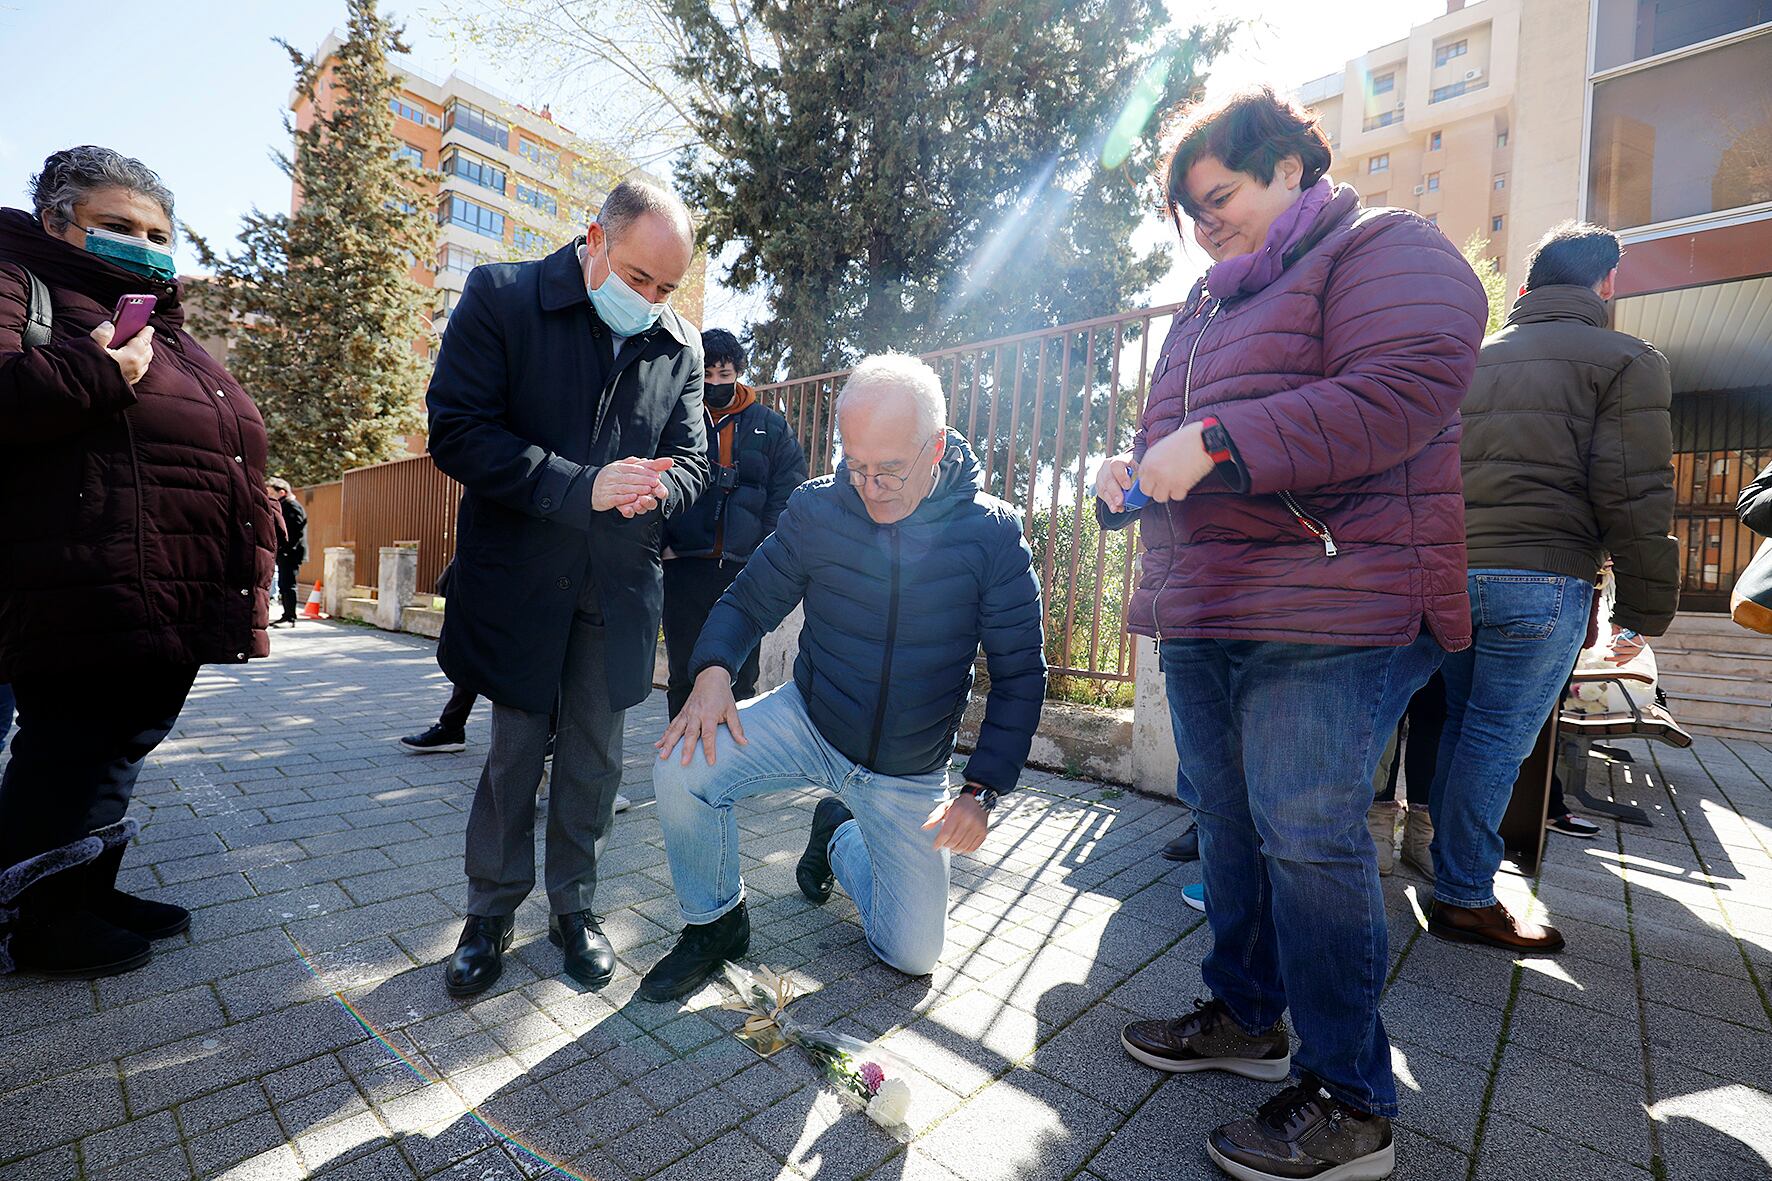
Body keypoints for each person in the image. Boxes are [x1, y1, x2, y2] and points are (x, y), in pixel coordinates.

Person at [1093, 88, 1486, 1180]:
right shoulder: (1203, 309)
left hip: (1335, 595)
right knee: (1225, 815)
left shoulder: (1383, 246)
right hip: (1215, 600)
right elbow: (1158, 443)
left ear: (1286, 169)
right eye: (1187, 209)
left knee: (1307, 832)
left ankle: (1350, 1096)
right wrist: (1125, 473)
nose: (1200, 221)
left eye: (1215, 197)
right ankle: (1245, 1015)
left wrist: (1217, 438)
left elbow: (1407, 388)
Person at [640, 354, 1045, 1003]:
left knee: (912, 954)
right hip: (810, 717)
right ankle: (716, 923)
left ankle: (839, 837)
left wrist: (981, 790)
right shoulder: (818, 509)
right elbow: (746, 602)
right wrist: (714, 670)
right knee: (680, 764)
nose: (870, 485)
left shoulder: (990, 535)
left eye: (889, 468)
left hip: (906, 766)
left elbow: (1022, 674)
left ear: (935, 447)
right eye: (856, 465)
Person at [426, 179, 708, 998]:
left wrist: (663, 488)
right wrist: (578, 485)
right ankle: (488, 913)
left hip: (617, 586)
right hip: (520, 576)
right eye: (638, 278)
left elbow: (694, 462)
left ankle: (574, 909)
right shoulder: (504, 295)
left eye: (667, 288)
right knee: (515, 750)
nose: (650, 300)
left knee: (594, 756)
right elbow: (457, 429)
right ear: (595, 241)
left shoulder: (678, 345)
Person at [0, 146, 275, 978]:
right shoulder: (21, 280)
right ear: (58, 221)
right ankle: (40, 920)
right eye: (117, 226)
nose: (144, 244)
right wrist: (98, 367)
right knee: (69, 746)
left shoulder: (158, 318)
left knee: (119, 745)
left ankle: (86, 891)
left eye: (158, 231)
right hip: (81, 570)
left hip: (167, 577)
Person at [1429, 221, 1677, 953]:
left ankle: (1451, 877)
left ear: (1528, 286)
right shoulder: (1627, 359)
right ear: (1606, 284)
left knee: (1459, 725)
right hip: (1542, 579)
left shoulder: (1470, 359)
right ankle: (1465, 895)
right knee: (1496, 741)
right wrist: (1642, 607)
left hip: (1453, 573)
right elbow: (1635, 491)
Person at [661, 328, 806, 717]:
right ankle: (680, 762)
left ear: (738, 372)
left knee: (741, 674)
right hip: (685, 564)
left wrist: (764, 549)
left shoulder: (770, 425)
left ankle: (732, 763)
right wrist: (665, 544)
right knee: (683, 672)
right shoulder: (678, 418)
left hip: (744, 571)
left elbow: (787, 491)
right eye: (707, 375)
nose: (715, 384)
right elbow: (656, 480)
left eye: (724, 375)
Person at [266, 477, 307, 626]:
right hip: (286, 552)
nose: (268, 495)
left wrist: (285, 549)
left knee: (288, 584)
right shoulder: (284, 505)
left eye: (271, 492)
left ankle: (290, 617)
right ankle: (287, 614)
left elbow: (295, 532)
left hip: (290, 554)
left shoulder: (291, 506)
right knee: (284, 584)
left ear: (282, 492)